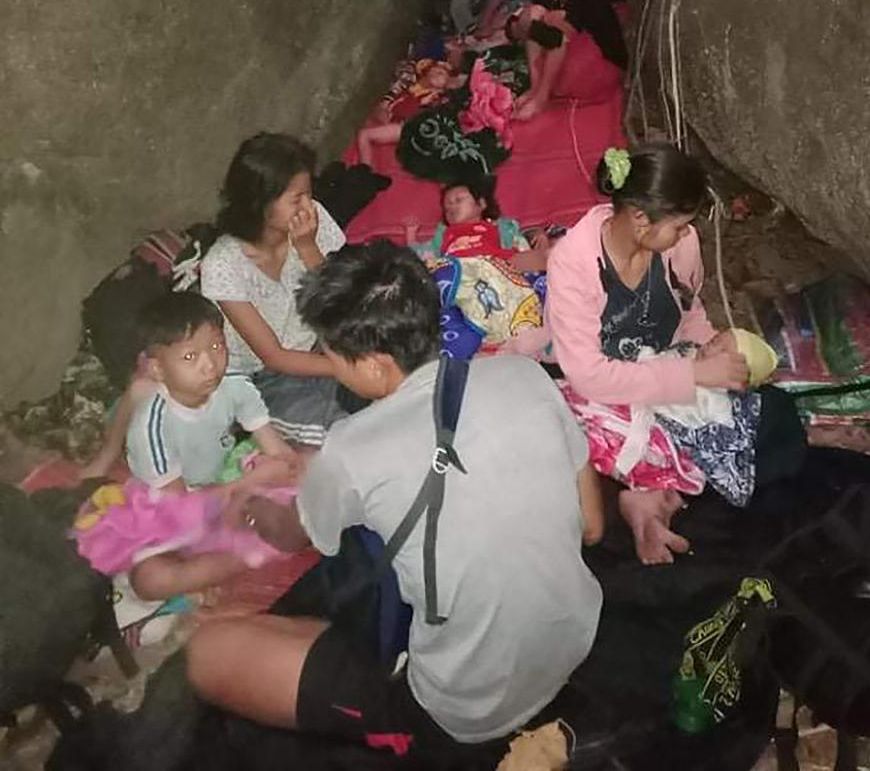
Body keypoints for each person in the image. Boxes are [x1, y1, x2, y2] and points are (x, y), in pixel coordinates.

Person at [186, 240, 603, 750]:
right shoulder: (524, 375)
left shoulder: (350, 448)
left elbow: (293, 533)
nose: (330, 364)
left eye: (331, 354)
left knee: (207, 653)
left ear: (375, 366)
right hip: (574, 640)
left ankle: (395, 722)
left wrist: (257, 505)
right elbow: (593, 526)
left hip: (463, 705)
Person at [546, 145, 803, 566]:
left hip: (666, 369)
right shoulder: (573, 264)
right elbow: (589, 377)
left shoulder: (680, 248)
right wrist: (695, 375)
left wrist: (716, 351)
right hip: (603, 392)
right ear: (641, 218)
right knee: (569, 457)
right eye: (679, 226)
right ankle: (652, 496)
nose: (686, 235)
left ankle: (652, 495)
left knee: (773, 415)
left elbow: (689, 310)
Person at [74, 292, 296, 603]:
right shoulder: (150, 428)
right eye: (190, 357)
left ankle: (223, 561)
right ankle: (239, 556)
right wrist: (250, 484)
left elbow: (281, 453)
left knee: (307, 488)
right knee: (151, 581)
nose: (210, 366)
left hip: (224, 477)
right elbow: (181, 509)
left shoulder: (234, 386)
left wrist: (275, 470)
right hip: (173, 503)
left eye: (217, 347)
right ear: (157, 369)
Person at [200, 133, 347, 448]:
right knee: (341, 432)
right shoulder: (223, 264)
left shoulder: (313, 220)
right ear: (260, 204)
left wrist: (307, 249)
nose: (308, 206)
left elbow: (341, 300)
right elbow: (274, 356)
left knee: (396, 388)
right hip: (267, 377)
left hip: (323, 346)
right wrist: (351, 366)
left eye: (308, 193)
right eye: (296, 199)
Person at [512, 0, 626, 121]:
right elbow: (514, 28)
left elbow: (558, 33)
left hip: (603, 66)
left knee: (553, 25)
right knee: (535, 16)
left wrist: (534, 22)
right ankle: (536, 87)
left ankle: (541, 99)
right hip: (572, 56)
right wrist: (528, 17)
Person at [405, 178, 550, 273]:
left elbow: (518, 243)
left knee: (544, 257)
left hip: (496, 266)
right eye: (447, 205)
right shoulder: (445, 234)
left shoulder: (499, 226)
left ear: (481, 204)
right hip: (459, 270)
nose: (451, 206)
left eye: (458, 200)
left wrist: (537, 237)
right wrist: (411, 235)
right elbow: (423, 255)